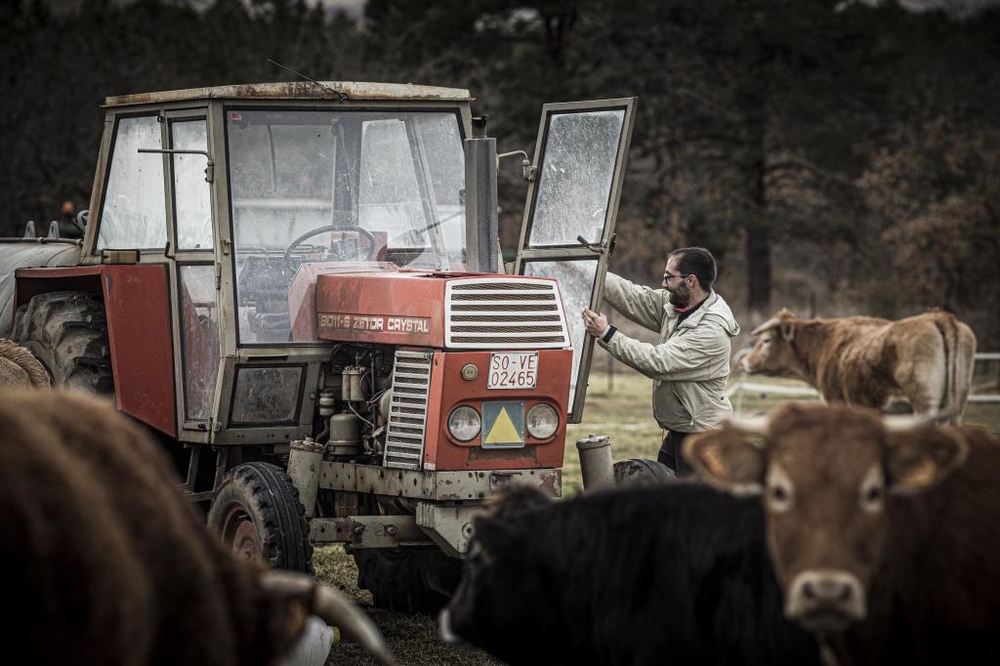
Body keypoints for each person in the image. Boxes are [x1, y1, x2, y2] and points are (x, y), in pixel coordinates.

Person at [582, 247, 740, 475]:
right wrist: (591, 272)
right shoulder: (678, 305)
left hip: (703, 438)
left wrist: (607, 333)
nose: (663, 284)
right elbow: (634, 296)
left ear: (691, 281)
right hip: (680, 430)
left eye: (668, 277)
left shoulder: (710, 330)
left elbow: (658, 362)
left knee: (695, 507)